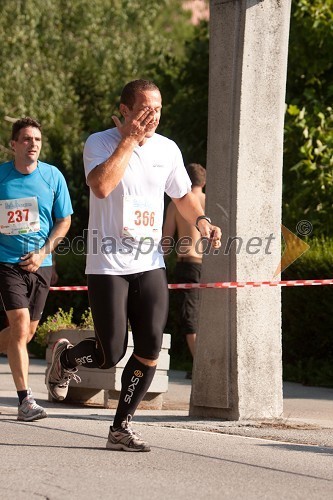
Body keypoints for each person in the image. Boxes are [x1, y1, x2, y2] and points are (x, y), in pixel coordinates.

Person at [46, 79, 221, 452]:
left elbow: (183, 196)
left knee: (150, 348)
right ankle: (68, 357)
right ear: (124, 110)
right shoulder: (100, 142)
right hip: (107, 261)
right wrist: (128, 139)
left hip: (149, 260)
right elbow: (102, 186)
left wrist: (203, 221)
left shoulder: (168, 149)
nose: (152, 116)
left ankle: (120, 427)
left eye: (157, 109)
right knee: (110, 353)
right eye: (144, 109)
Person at [0, 117, 73, 421]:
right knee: (19, 325)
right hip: (6, 263)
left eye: (38, 140)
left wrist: (44, 252)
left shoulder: (52, 176)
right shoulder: (1, 176)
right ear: (14, 144)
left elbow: (64, 220)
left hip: (41, 264)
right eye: (27, 139)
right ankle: (25, 401)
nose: (33, 145)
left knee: (26, 334)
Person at [162, 163, 206, 368]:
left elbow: (166, 240)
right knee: (207, 316)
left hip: (187, 264)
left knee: (190, 319)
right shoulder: (210, 202)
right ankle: (205, 364)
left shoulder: (177, 204)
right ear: (204, 182)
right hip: (208, 266)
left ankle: (201, 367)